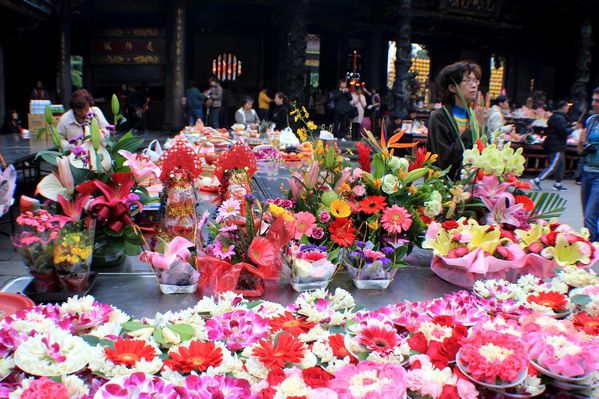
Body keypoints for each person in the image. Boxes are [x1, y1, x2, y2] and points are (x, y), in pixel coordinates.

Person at [426, 61, 481, 180]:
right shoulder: (439, 117)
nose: (474, 85)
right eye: (467, 81)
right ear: (452, 87)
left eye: (475, 80)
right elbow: (444, 160)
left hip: (471, 186)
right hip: (445, 187)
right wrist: (471, 130)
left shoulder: (473, 116)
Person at [530, 101, 573, 192]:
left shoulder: (554, 116)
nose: (567, 110)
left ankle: (558, 184)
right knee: (554, 165)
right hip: (557, 144)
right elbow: (563, 132)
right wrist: (572, 129)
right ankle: (538, 179)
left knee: (561, 164)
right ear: (563, 107)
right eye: (567, 107)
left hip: (555, 143)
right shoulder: (559, 118)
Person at [579, 87, 599, 241]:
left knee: (590, 217)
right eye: (593, 100)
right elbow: (582, 141)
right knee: (587, 213)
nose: (594, 103)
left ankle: (591, 249)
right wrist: (584, 146)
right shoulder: (591, 120)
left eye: (597, 101)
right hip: (586, 171)